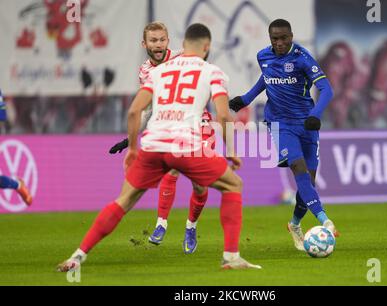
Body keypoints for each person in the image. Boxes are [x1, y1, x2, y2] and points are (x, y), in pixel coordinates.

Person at [57, 23, 261, 271]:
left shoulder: (158, 72)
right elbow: (224, 115)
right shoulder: (212, 71)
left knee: (123, 200)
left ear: (180, 45)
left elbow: (134, 111)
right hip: (186, 144)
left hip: (153, 143)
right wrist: (230, 150)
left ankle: (77, 256)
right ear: (206, 47)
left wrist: (132, 148)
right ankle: (231, 258)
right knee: (233, 184)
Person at [229, 19, 338, 252]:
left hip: (306, 123)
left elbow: (327, 89)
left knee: (308, 180)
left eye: (283, 38)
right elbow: (266, 78)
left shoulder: (302, 58)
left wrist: (316, 114)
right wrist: (246, 99)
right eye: (274, 39)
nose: (279, 43)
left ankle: (295, 224)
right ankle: (324, 220)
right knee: (297, 167)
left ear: (291, 36)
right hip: (279, 122)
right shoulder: (263, 56)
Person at [109, 22, 215, 254]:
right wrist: (131, 138)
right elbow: (148, 108)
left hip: (200, 123)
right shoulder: (145, 71)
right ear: (144, 43)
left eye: (162, 40)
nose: (158, 45)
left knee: (200, 185)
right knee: (173, 169)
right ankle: (161, 224)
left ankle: (191, 227)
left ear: (168, 40)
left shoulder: (182, 57)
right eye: (153, 40)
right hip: (172, 125)